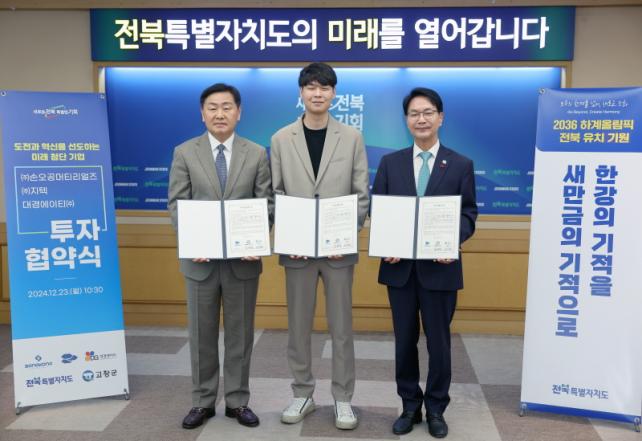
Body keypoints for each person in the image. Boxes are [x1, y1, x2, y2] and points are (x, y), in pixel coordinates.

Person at [371, 87, 477, 438]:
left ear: (440, 118)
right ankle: (409, 405)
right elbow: (380, 210)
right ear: (407, 120)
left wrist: (453, 240)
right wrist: (386, 242)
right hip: (399, 269)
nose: (421, 119)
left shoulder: (460, 164)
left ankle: (435, 408)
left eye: (428, 112)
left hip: (440, 269)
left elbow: (468, 214)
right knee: (404, 341)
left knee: (439, 343)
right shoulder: (391, 163)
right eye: (414, 113)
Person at [270, 62, 369, 430]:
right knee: (298, 326)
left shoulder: (352, 137)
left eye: (324, 87)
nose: (317, 93)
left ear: (333, 94)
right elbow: (275, 193)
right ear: (301, 92)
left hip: (338, 250)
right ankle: (302, 392)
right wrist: (289, 236)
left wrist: (345, 235)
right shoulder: (281, 139)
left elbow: (361, 193)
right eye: (310, 87)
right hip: (297, 251)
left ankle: (343, 398)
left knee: (341, 327)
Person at [168, 83, 272, 430]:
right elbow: (177, 204)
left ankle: (238, 401)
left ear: (239, 112)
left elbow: (266, 204)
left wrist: (257, 238)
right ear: (202, 114)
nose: (220, 114)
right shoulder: (185, 152)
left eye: (227, 107)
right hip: (200, 263)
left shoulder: (256, 153)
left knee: (240, 335)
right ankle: (202, 401)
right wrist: (192, 241)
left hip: (243, 263)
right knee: (201, 334)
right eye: (212, 107)